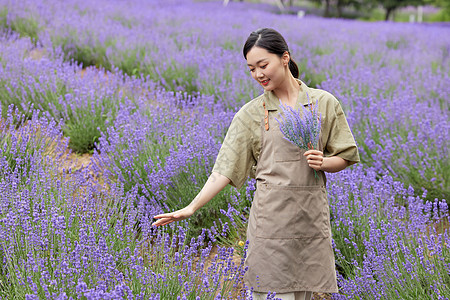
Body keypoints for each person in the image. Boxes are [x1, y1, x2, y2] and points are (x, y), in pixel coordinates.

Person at [152, 28, 360, 300]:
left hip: (310, 219)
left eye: (263, 65)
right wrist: (192, 207)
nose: (258, 74)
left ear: (284, 58)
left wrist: (324, 162)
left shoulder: (323, 103)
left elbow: (345, 156)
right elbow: (225, 168)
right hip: (270, 224)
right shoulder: (251, 114)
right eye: (251, 69)